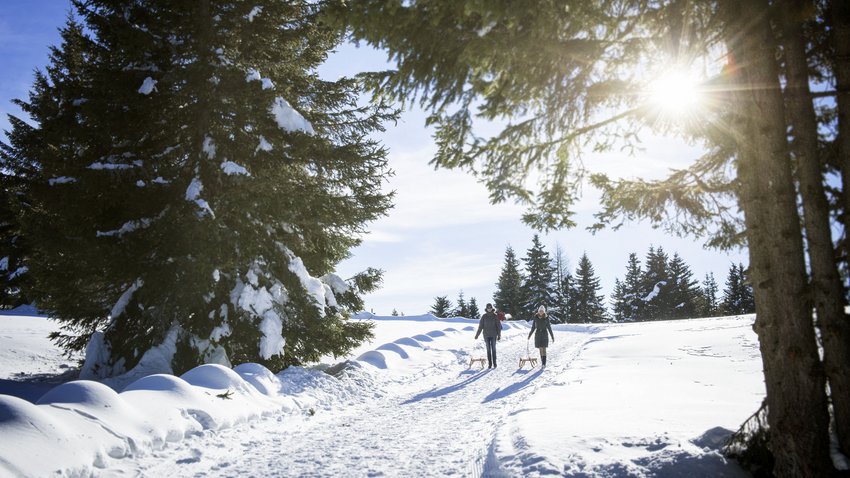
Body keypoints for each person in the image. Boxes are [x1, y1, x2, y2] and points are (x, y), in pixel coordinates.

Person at [474, 303, 501, 368]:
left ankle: (494, 363)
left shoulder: (495, 316)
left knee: (493, 349)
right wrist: (477, 335)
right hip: (486, 335)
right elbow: (480, 326)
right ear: (486, 309)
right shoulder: (484, 316)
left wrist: (499, 334)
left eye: (490, 308)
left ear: (492, 308)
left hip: (493, 335)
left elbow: (498, 326)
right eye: (488, 308)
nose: (489, 309)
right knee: (488, 349)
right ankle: (490, 364)